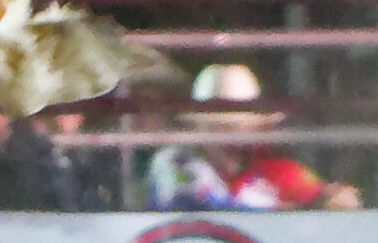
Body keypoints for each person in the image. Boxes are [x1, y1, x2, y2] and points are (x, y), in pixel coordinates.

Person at [147, 63, 361, 211]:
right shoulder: (174, 162)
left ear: (255, 128)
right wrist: (302, 210)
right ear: (198, 127)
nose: (230, 134)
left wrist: (334, 201)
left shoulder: (281, 173)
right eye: (218, 125)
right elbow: (199, 209)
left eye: (238, 124)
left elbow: (330, 202)